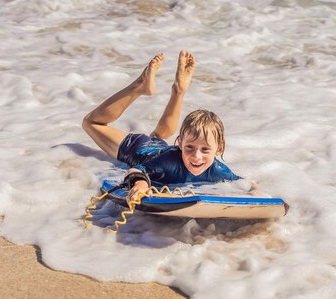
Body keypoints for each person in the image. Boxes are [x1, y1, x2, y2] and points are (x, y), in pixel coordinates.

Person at [82, 51, 240, 203]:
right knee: (91, 123)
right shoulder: (168, 162)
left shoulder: (218, 170)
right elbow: (137, 170)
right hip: (137, 147)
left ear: (219, 149)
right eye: (189, 147)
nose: (196, 156)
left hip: (159, 146)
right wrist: (140, 185)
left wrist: (255, 191)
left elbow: (242, 184)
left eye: (205, 149)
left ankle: (179, 89)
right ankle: (139, 86)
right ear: (179, 143)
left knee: (158, 136)